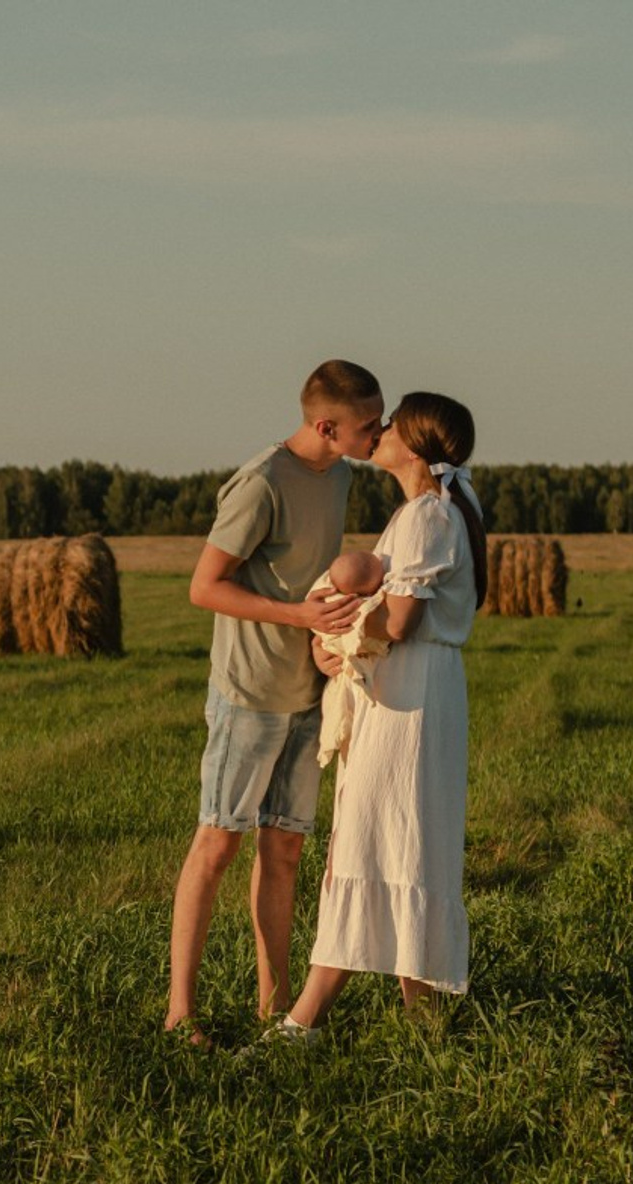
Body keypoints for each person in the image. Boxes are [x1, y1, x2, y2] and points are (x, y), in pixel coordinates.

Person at [165, 359, 385, 1045]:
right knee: (218, 844)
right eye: (368, 426)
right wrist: (299, 620)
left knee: (285, 850)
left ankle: (274, 1008)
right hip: (249, 694)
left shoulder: (343, 474)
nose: (379, 436)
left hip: (308, 692)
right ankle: (180, 1014)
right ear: (328, 426)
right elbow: (204, 587)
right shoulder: (261, 483)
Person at [274, 391, 488, 1042]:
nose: (383, 430)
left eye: (392, 424)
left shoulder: (427, 515)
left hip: (407, 694)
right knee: (404, 845)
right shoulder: (445, 507)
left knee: (371, 841)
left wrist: (339, 638)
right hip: (419, 687)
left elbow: (401, 618)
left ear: (416, 446)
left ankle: (300, 1024)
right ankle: (424, 1025)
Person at [311, 551, 389, 768]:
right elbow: (369, 639)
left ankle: (330, 745)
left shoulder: (324, 594)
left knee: (338, 709)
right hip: (349, 663)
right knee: (341, 708)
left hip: (338, 664)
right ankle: (331, 743)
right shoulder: (359, 608)